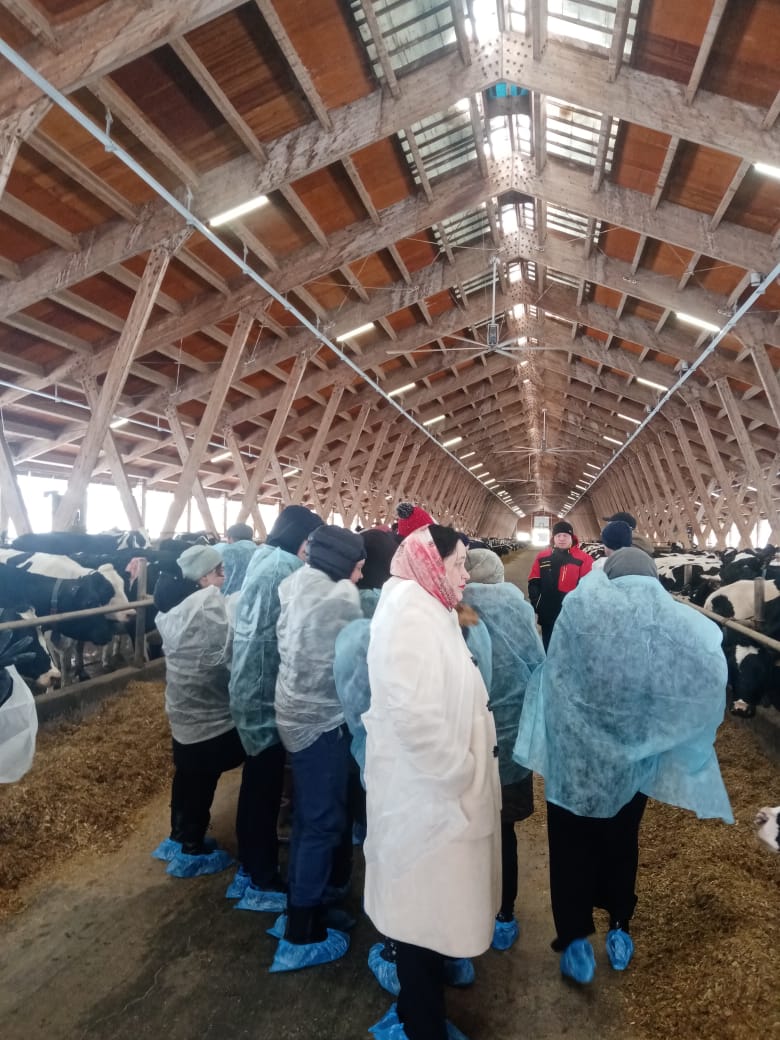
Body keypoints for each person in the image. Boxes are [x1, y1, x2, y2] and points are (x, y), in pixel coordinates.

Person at [513, 547, 733, 984]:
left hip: (576, 763)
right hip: (630, 763)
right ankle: (619, 927)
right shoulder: (665, 620)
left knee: (571, 846)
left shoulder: (580, 611)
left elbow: (555, 675)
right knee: (620, 841)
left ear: (608, 576)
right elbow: (705, 663)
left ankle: (575, 939)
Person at [363, 524, 501, 1040]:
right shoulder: (409, 615)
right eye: (458, 563)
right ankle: (421, 1026)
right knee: (418, 919)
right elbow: (413, 716)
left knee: (428, 912)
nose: (465, 574)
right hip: (428, 801)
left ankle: (422, 1012)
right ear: (428, 561)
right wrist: (458, 770)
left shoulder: (431, 604)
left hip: (436, 798)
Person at [269, 524, 366, 972]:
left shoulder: (298, 582)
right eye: (357, 568)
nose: (359, 577)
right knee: (322, 821)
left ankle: (307, 902)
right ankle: (300, 932)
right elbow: (352, 662)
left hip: (294, 711)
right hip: (321, 722)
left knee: (311, 816)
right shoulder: (336, 599)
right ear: (340, 564)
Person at [228, 504, 324, 911]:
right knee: (263, 789)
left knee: (256, 784)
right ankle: (261, 876)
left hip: (248, 685)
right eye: (310, 542)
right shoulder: (286, 569)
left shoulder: (263, 558)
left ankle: (250, 866)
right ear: (300, 539)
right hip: (265, 691)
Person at [462, 547, 545, 951]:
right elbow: (538, 663)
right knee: (504, 829)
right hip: (511, 734)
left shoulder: (456, 609)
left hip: (466, 735)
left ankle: (465, 913)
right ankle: (504, 913)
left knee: (465, 830)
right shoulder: (518, 608)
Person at [151, 544, 243, 879]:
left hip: (182, 715)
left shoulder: (173, 610)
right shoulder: (207, 608)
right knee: (203, 783)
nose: (224, 577)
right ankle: (192, 849)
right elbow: (229, 656)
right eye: (219, 571)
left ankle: (178, 835)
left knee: (187, 776)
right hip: (211, 721)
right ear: (203, 578)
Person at [527, 520, 593, 649]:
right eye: (558, 535)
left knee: (570, 647)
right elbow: (534, 581)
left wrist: (581, 609)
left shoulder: (584, 559)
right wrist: (537, 604)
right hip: (547, 612)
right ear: (553, 538)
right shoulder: (542, 557)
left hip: (572, 613)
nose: (561, 539)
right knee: (548, 645)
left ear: (572, 537)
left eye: (565, 535)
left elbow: (588, 587)